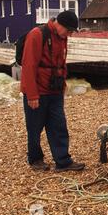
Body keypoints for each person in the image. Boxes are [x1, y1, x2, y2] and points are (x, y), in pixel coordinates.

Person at [21, 11, 85, 172]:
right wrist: (32, 94)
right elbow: (28, 66)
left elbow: (61, 63)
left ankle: (63, 161)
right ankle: (35, 159)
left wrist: (63, 84)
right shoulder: (37, 35)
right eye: (69, 30)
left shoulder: (62, 37)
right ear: (59, 24)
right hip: (38, 91)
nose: (69, 34)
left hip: (54, 91)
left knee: (59, 126)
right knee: (34, 127)